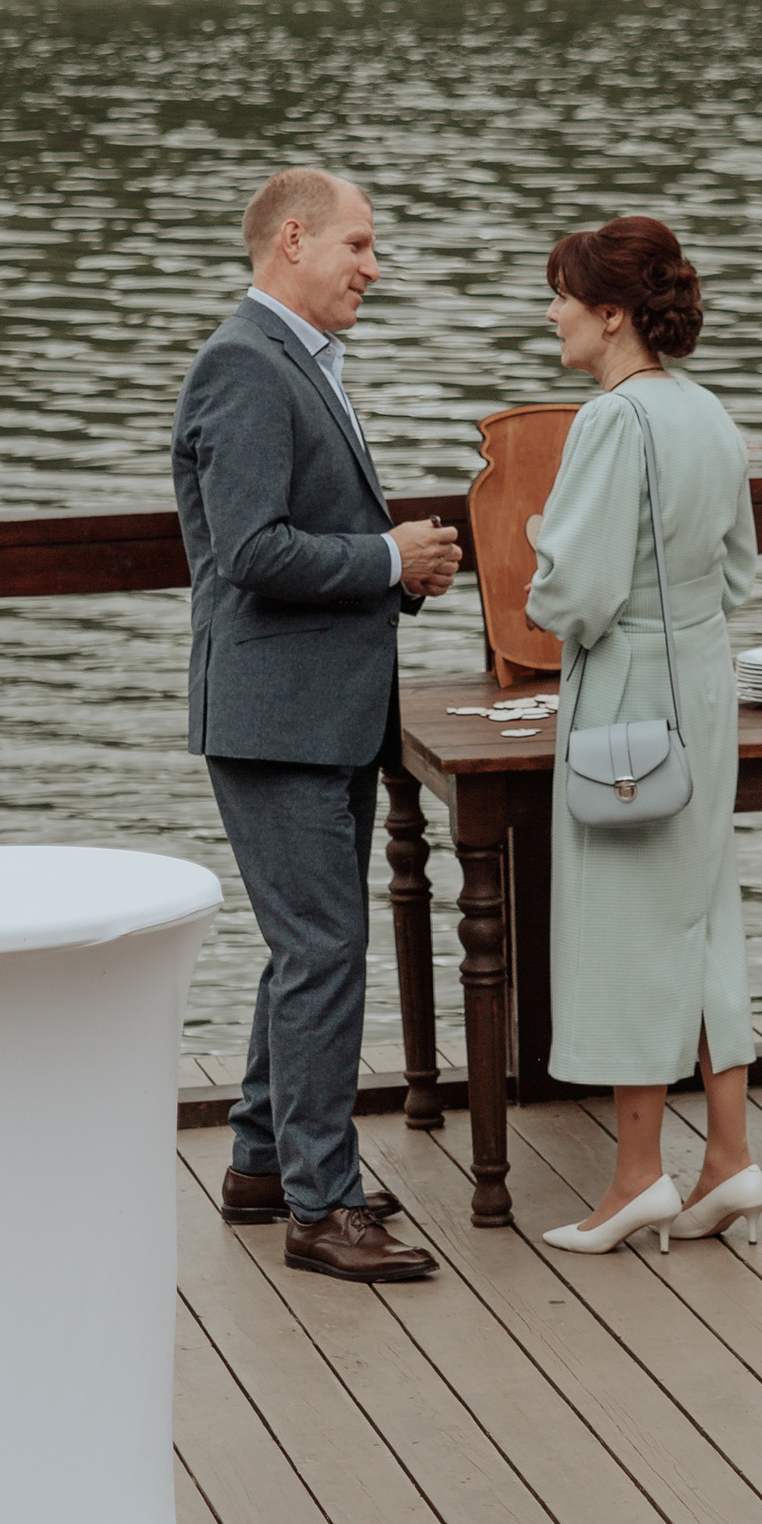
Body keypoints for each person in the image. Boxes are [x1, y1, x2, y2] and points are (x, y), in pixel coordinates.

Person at [173, 167, 461, 1283]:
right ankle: (319, 1205)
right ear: (293, 240)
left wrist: (394, 573)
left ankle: (262, 1162)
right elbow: (248, 551)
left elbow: (290, 537)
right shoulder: (246, 365)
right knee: (324, 950)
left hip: (319, 713)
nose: (373, 268)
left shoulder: (293, 361)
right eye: (359, 245)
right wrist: (390, 556)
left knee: (311, 947)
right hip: (276, 719)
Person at [526, 216, 762, 1253]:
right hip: (704, 680)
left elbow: (574, 597)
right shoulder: (709, 414)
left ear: (611, 315)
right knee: (702, 912)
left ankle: (634, 1177)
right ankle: (727, 1155)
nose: (553, 313)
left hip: (628, 683)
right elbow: (741, 571)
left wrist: (543, 550)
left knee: (626, 917)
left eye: (564, 297)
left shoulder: (611, 420)